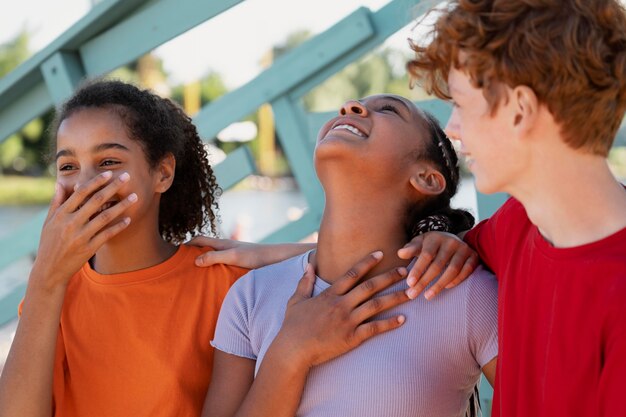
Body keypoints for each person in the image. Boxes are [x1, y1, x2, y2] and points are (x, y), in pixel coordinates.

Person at [201, 94, 498, 417]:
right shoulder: (251, 295)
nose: (350, 108)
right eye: (350, 105)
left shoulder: (465, 295)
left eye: (389, 110)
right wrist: (289, 352)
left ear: (426, 179)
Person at [405, 0, 626, 415]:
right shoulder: (517, 224)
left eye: (461, 105)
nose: (451, 128)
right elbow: (434, 255)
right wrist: (445, 241)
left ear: (520, 110)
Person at [0, 79, 263, 417]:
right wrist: (44, 280)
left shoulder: (226, 285)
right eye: (68, 166)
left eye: (108, 162)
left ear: (163, 173)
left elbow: (349, 267)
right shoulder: (52, 294)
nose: (83, 184)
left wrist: (269, 254)